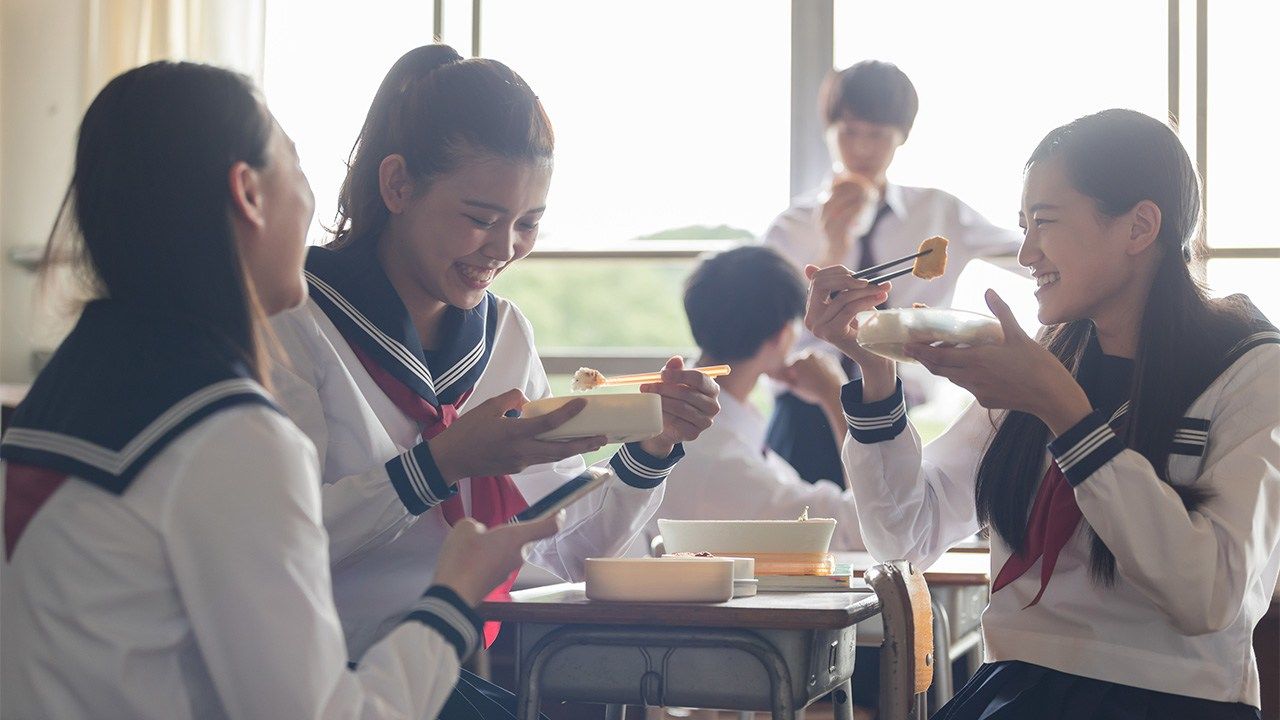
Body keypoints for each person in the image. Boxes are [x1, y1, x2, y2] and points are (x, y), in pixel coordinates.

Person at [0, 61, 561, 720]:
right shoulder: (229, 433)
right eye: (295, 166)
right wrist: (452, 596)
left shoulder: (67, 391)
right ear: (249, 194)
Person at [268, 44, 721, 711]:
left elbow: (565, 549)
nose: (505, 249)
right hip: (314, 677)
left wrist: (652, 448)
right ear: (398, 186)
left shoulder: (503, 333)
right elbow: (275, 547)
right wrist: (441, 464)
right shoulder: (295, 320)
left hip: (445, 671)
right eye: (480, 219)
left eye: (528, 223)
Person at [809, 108, 1279, 719]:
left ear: (1140, 226)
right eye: (1022, 226)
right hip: (1017, 688)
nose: (1026, 252)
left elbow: (1208, 595)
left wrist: (1066, 414)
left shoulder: (1250, 368)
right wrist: (875, 371)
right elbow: (905, 537)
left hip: (1169, 699)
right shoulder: (1048, 359)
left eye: (1046, 222)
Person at [764, 59, 1021, 487]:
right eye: (848, 132)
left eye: (878, 135)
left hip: (901, 411)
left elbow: (1029, 255)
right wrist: (833, 246)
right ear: (829, 130)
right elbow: (769, 333)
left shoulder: (939, 212)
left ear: (903, 136)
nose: (861, 149)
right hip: (803, 416)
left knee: (895, 521)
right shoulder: (791, 228)